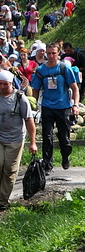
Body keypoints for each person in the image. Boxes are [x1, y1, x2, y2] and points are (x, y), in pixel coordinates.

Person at [0, 71, 37, 210]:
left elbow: (29, 120)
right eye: (0, 84)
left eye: (5, 84)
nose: (2, 87)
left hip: (15, 138)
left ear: (11, 84)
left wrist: (33, 142)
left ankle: (3, 201)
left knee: (9, 169)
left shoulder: (20, 98)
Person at [29, 41, 80, 170]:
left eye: (54, 53)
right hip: (47, 106)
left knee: (64, 137)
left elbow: (75, 89)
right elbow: (35, 89)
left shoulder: (64, 68)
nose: (51, 56)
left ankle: (65, 156)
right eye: (49, 53)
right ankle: (47, 164)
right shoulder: (41, 70)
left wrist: (75, 105)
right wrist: (33, 106)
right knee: (47, 136)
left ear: (58, 54)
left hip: (63, 107)